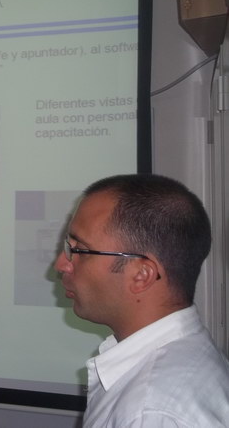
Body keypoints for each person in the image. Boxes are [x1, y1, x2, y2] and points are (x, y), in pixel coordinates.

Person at [54, 174, 229, 427]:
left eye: (79, 250)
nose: (61, 264)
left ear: (141, 275)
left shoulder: (151, 413)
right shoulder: (186, 357)